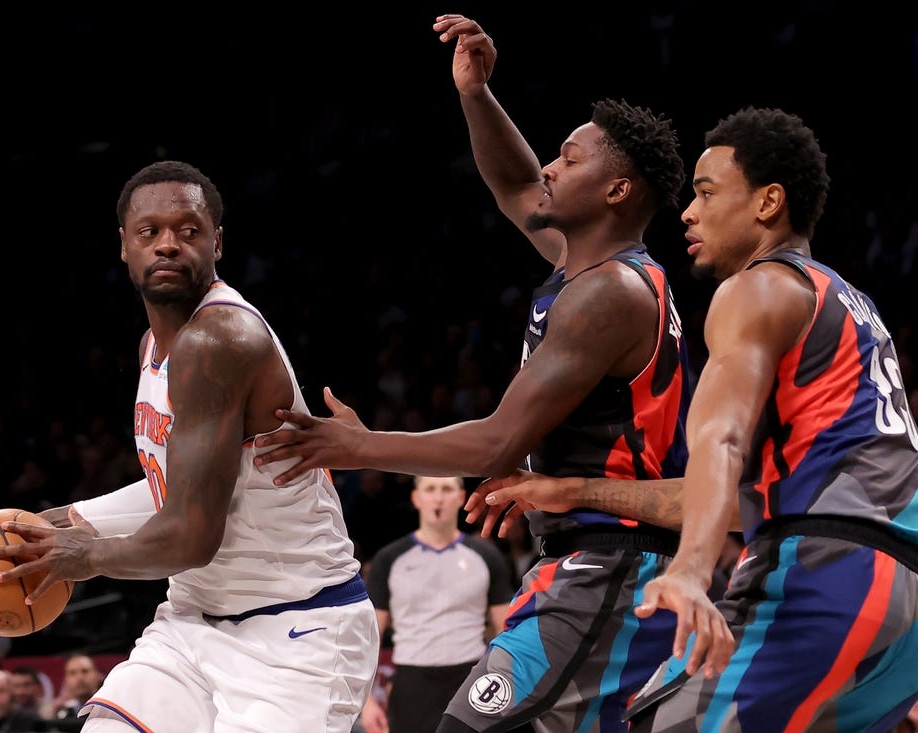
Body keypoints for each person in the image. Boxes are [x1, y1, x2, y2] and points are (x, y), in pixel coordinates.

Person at [254, 14, 692, 732]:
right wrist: (477, 94)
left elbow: (494, 443)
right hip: (592, 562)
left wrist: (358, 446)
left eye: (571, 159)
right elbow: (517, 183)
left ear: (618, 191)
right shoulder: (585, 266)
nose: (550, 166)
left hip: (611, 565)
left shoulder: (609, 294)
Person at [467, 106, 918, 731]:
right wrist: (576, 490)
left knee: (653, 721)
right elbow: (722, 499)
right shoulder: (847, 302)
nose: (688, 212)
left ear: (767, 202)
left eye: (705, 193)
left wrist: (693, 572)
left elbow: (718, 443)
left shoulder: (756, 289)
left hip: (834, 577)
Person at [0, 160, 379, 732]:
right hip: (193, 623)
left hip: (298, 634)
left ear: (217, 243)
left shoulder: (220, 339)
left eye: (188, 231)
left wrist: (81, 555)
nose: (167, 245)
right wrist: (62, 521)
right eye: (149, 232)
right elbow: (178, 487)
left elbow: (192, 534)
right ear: (123, 245)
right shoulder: (156, 343)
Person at [359, 475, 516, 733]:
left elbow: (508, 632)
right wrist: (366, 703)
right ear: (416, 498)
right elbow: (367, 639)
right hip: (412, 685)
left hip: (471, 679)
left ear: (461, 498)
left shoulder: (486, 555)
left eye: (446, 488)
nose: (439, 497)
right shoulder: (390, 559)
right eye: (430, 489)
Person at [49, 654, 103, 723]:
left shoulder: (111, 707)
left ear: (97, 675)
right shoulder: (62, 712)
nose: (80, 678)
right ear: (66, 680)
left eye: (85, 671)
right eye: (72, 673)